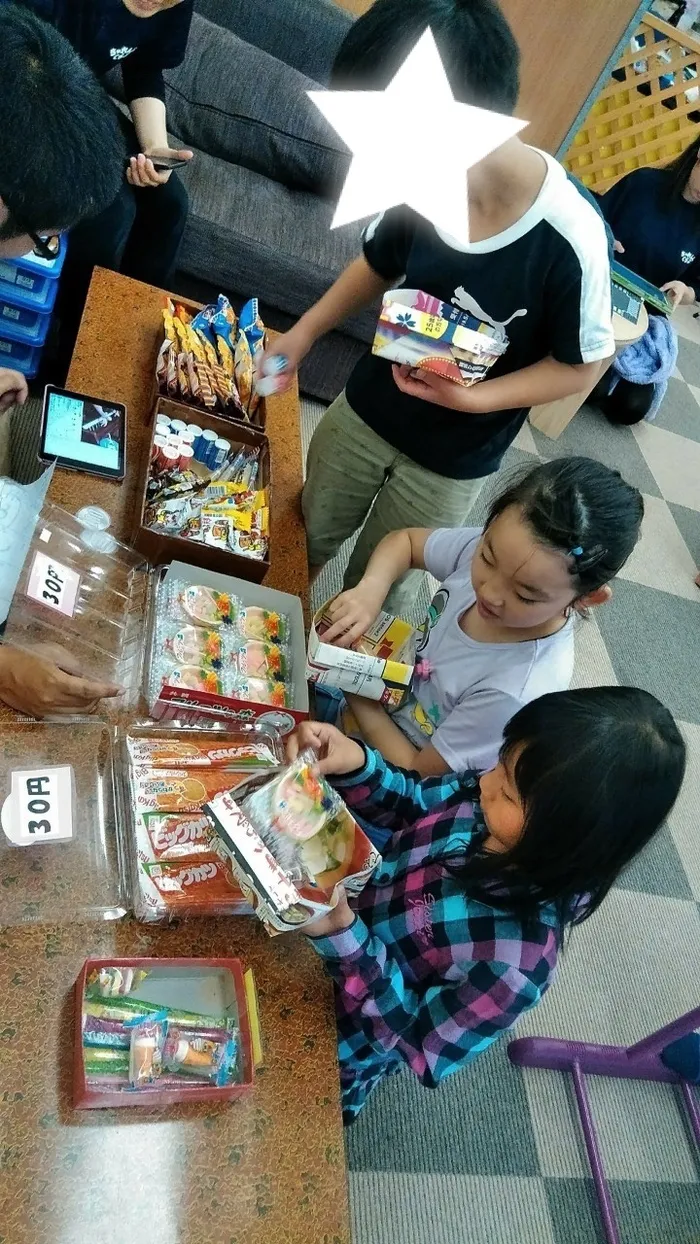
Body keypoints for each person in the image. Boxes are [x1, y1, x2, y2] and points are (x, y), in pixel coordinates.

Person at [263, 0, 614, 617]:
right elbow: (379, 260)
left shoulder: (571, 235)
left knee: (380, 585)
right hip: (366, 409)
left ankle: (332, 681)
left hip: (453, 460)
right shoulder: (417, 178)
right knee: (300, 534)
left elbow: (580, 365)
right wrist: (306, 331)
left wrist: (473, 399)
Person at [289, 691, 686, 1122]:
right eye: (500, 763)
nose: (485, 783)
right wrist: (356, 765)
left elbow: (419, 1044)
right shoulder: (491, 792)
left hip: (334, 1042)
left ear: (571, 839)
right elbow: (414, 802)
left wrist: (344, 938)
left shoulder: (517, 964)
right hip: (311, 934)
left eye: (510, 794)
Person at [319, 458, 644, 788]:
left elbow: (417, 774)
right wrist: (372, 588)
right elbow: (405, 542)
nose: (489, 592)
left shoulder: (517, 689)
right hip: (376, 700)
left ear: (587, 598)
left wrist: (356, 685)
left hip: (390, 781)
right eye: (486, 558)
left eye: (526, 595)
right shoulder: (511, 551)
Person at [20, 0, 195, 366]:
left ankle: (133, 348)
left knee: (170, 202)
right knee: (111, 208)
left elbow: (144, 66)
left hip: (77, 95)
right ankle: (68, 355)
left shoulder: (172, 5)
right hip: (25, 91)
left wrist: (154, 148)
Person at [595, 136, 700, 423]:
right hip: (599, 289)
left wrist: (685, 290)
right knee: (589, 378)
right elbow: (596, 218)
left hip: (642, 316)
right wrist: (606, 238)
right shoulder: (644, 183)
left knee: (631, 408)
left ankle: (596, 374)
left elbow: (697, 287)